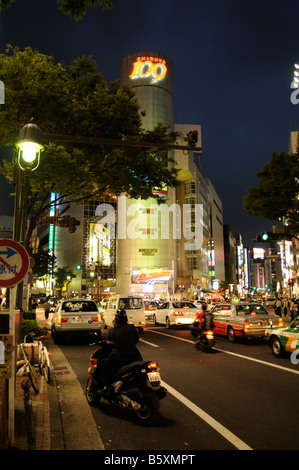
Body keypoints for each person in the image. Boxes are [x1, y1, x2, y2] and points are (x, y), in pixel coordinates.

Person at [95, 309, 143, 390]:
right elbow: (136, 340)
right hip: (135, 355)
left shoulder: (112, 330)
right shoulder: (131, 327)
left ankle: (107, 386)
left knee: (103, 364)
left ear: (116, 319)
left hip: (119, 357)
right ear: (126, 318)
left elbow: (109, 341)